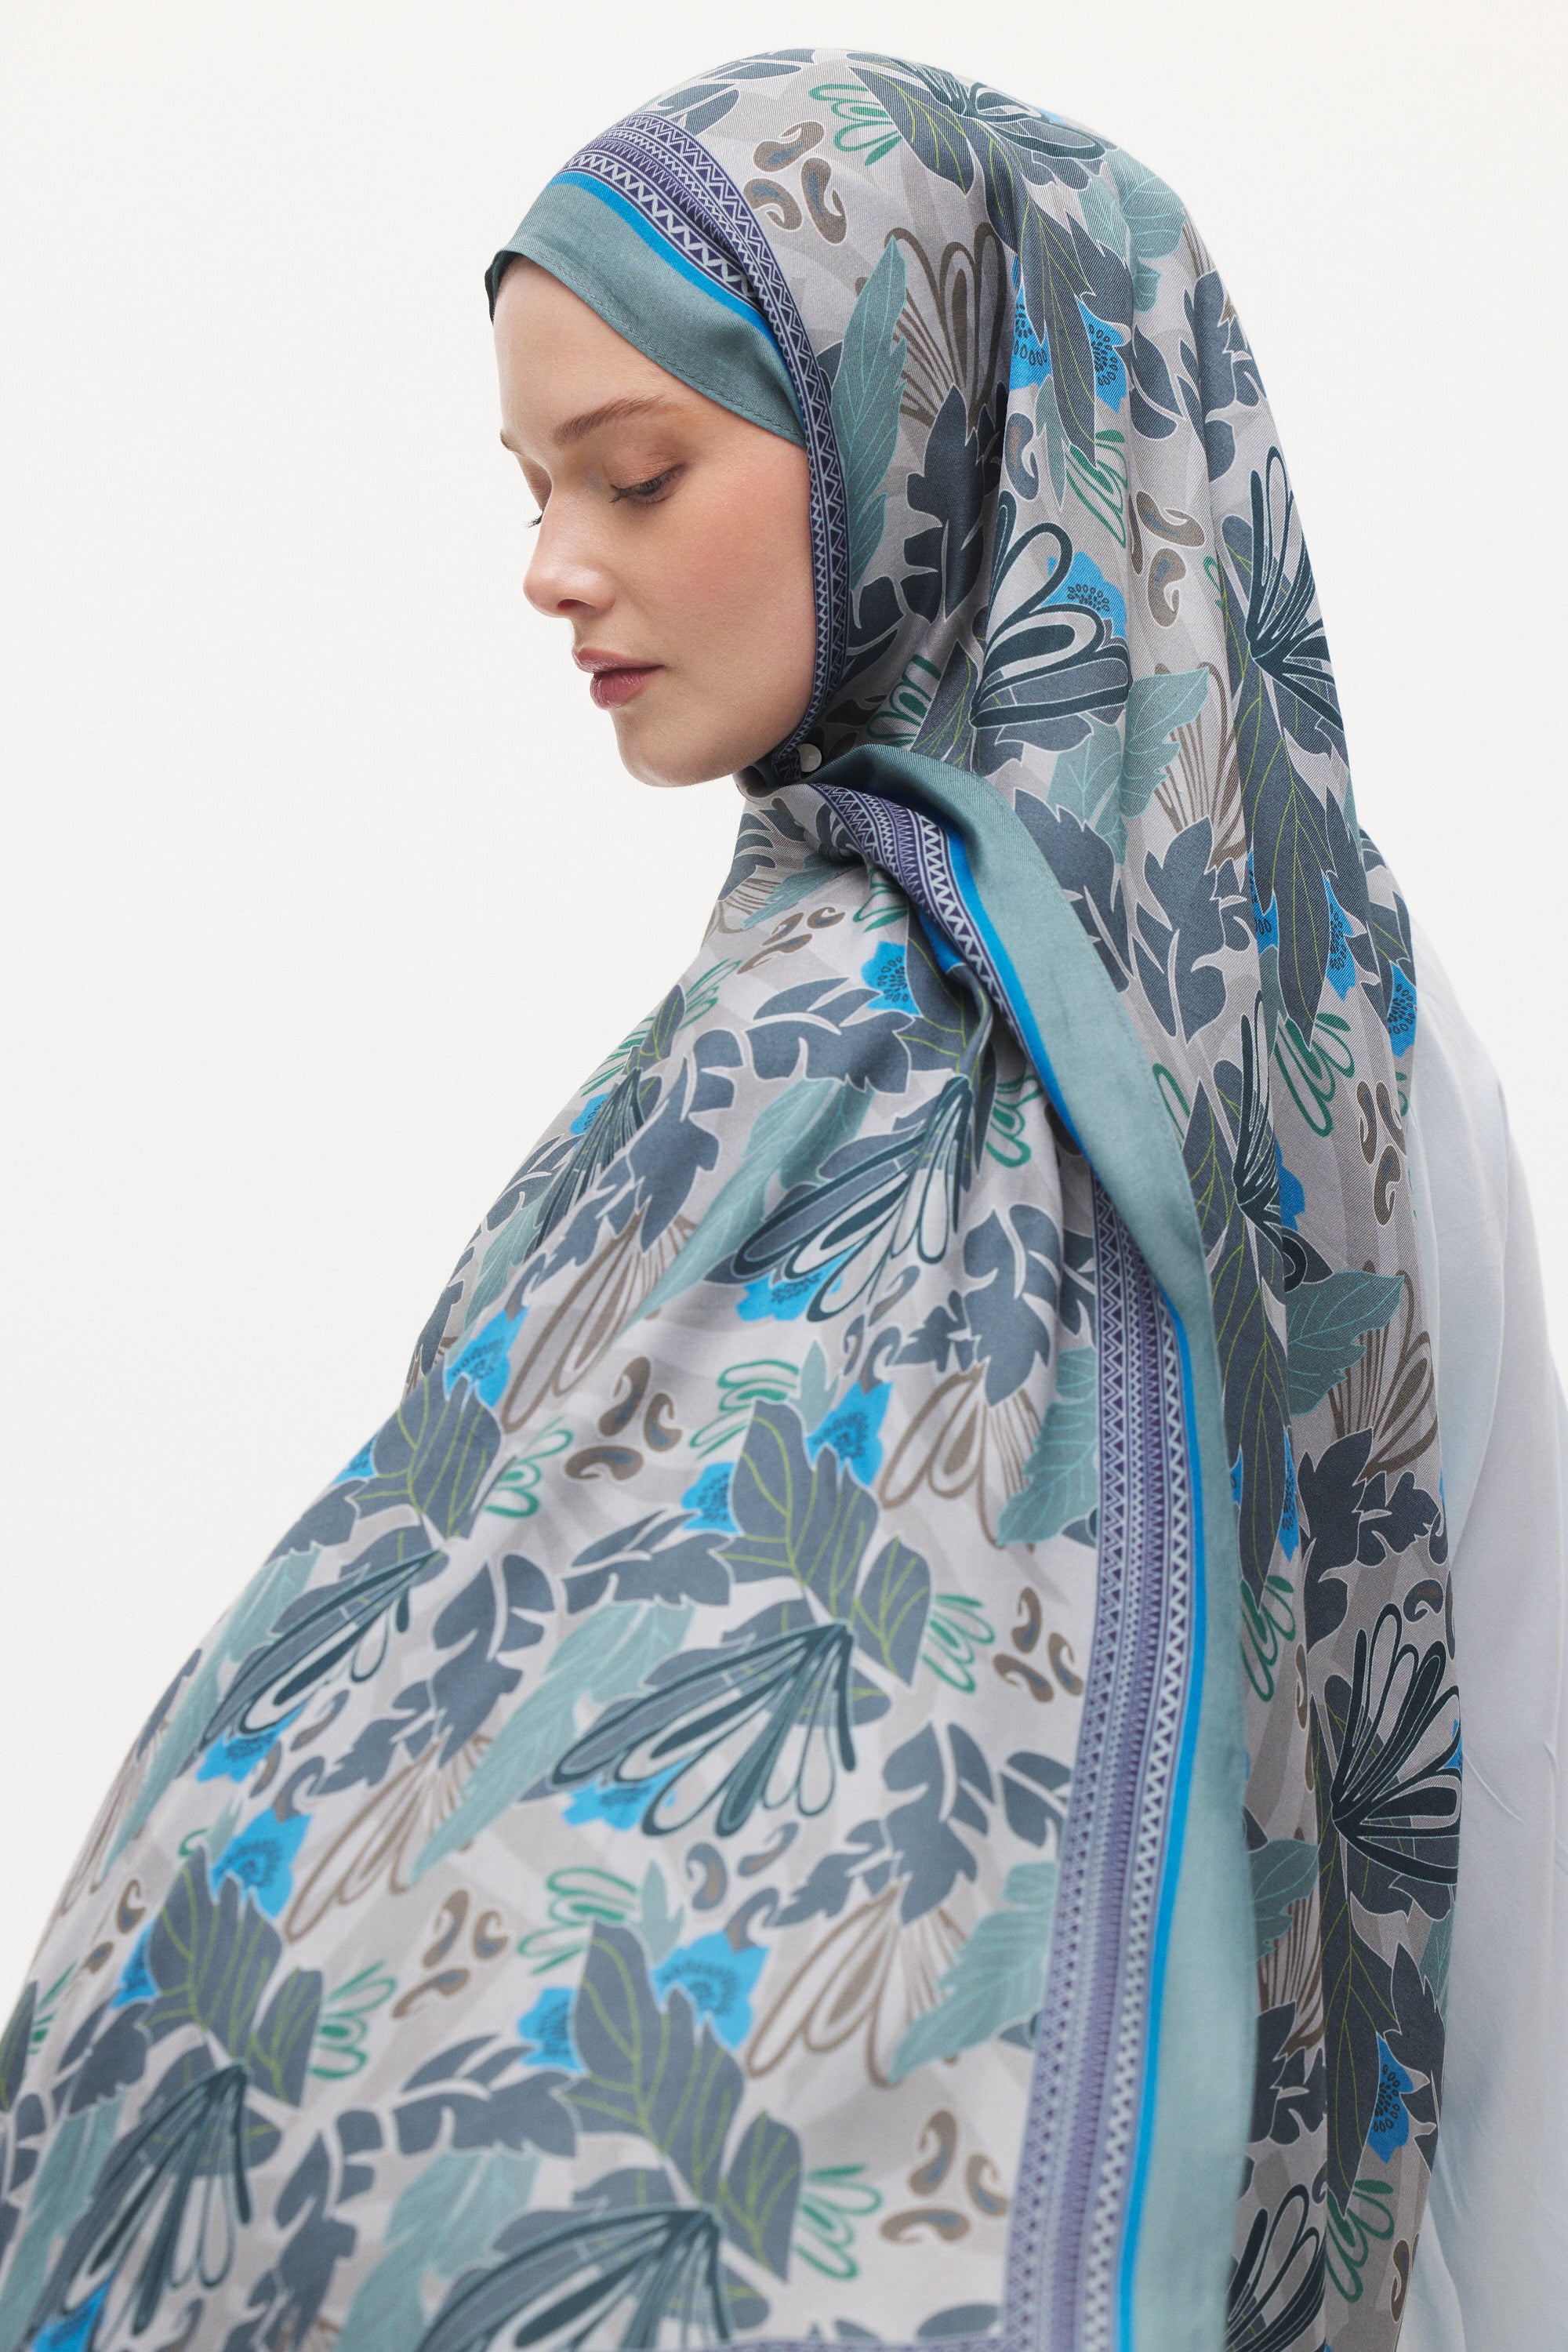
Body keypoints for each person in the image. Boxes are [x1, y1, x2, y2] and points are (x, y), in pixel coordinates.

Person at [0, 47, 1561, 2352]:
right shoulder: (779, 1021)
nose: (552, 566)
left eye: (637, 472)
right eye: (533, 485)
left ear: (911, 435)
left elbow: (1462, 1775)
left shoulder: (1312, 1059)